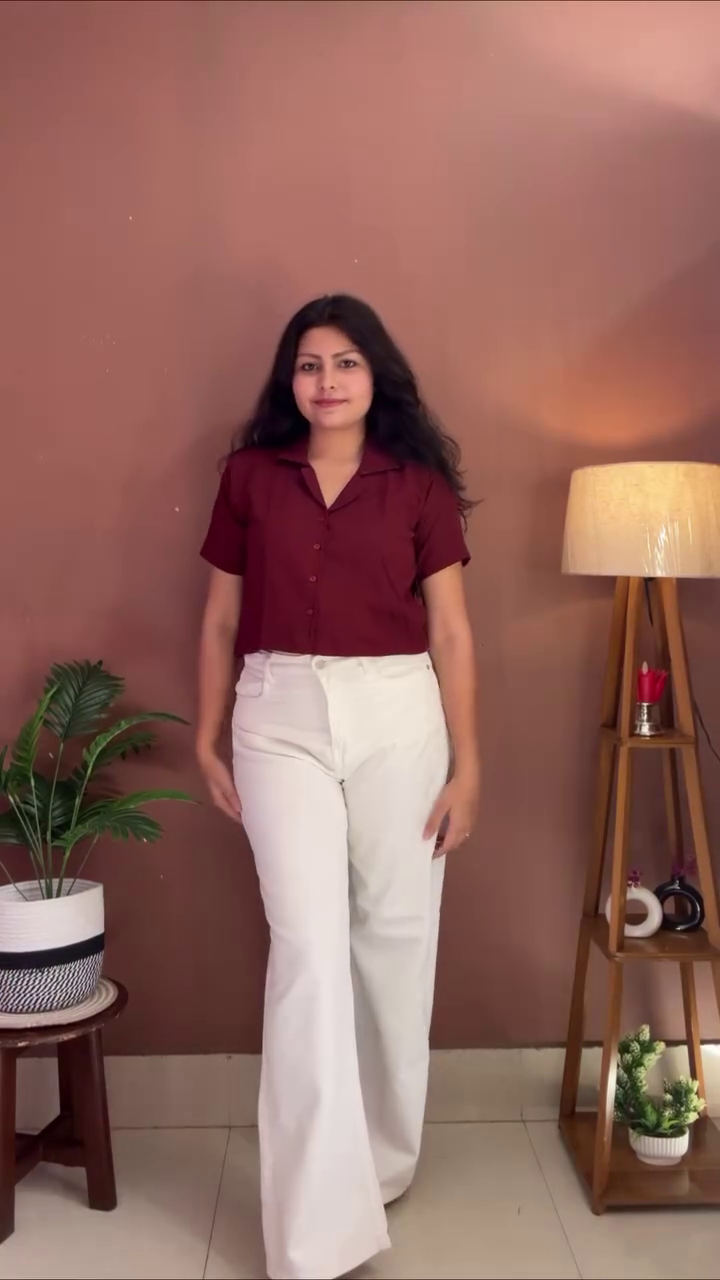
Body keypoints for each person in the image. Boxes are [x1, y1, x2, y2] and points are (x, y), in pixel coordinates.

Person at [197, 295, 479, 1280]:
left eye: (346, 361)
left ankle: (386, 1157)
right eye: (309, 363)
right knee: (312, 947)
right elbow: (219, 619)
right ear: (290, 379)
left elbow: (451, 633)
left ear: (376, 375)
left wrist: (470, 765)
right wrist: (205, 732)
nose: (325, 380)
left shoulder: (418, 483)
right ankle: (315, 1228)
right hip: (279, 711)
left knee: (396, 937)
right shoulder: (248, 477)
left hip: (400, 710)